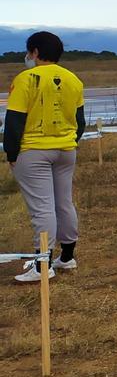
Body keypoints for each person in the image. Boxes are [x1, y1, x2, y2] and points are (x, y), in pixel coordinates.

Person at [4, 32, 86, 283]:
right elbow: (80, 122)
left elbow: (15, 120)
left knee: (42, 209)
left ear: (36, 52)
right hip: (66, 150)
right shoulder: (73, 80)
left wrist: (11, 153)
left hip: (34, 150)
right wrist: (69, 142)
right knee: (63, 203)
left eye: (30, 52)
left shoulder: (26, 78)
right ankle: (67, 256)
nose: (28, 56)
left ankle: (42, 266)